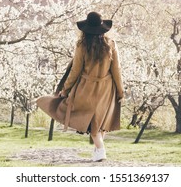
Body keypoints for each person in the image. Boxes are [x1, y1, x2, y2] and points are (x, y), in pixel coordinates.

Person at [37, 11, 124, 162]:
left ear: (86, 29)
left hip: (86, 88)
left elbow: (75, 70)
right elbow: (116, 70)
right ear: (102, 28)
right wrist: (120, 91)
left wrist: (66, 89)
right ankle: (98, 151)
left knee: (93, 122)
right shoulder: (110, 44)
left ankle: (101, 150)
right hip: (107, 88)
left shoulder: (82, 45)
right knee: (99, 121)